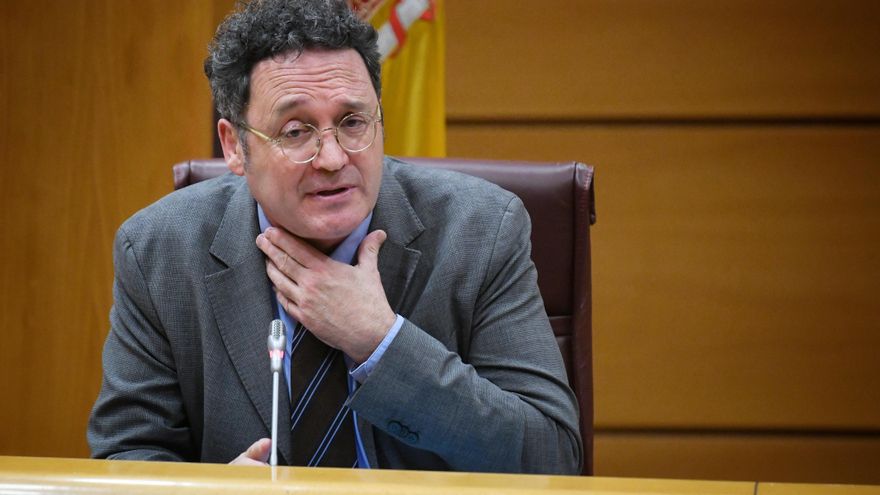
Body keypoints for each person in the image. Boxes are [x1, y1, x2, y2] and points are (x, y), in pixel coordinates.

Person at [88, 0, 581, 474]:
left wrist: (381, 341)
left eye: (353, 122)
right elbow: (125, 455)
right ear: (235, 146)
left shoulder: (481, 231)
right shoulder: (160, 251)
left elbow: (551, 454)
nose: (332, 158)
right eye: (296, 131)